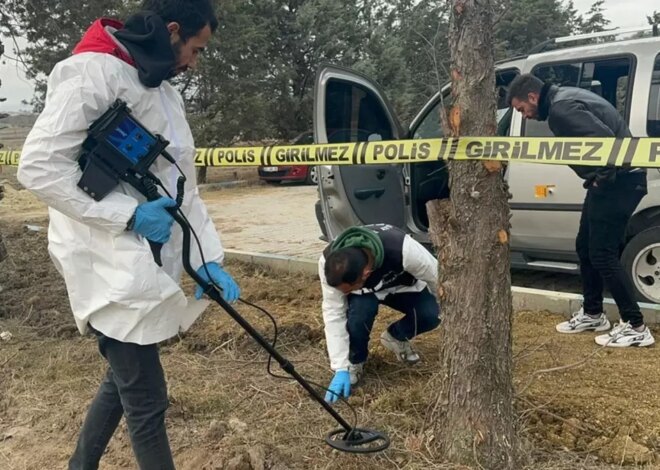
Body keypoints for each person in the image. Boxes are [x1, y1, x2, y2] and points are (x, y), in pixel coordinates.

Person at [17, 1, 240, 468]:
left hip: (143, 255)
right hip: (103, 258)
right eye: (195, 49)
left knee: (124, 380)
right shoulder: (90, 73)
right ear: (172, 30)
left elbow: (183, 184)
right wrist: (126, 216)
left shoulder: (164, 92)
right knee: (146, 397)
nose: (194, 62)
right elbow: (38, 167)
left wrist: (206, 258)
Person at [507, 73, 654, 348]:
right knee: (585, 246)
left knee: (602, 253)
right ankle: (593, 313)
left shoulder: (561, 109)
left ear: (532, 97)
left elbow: (606, 143)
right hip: (616, 180)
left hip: (619, 182)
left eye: (521, 109)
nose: (524, 116)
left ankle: (635, 326)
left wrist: (602, 177)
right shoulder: (565, 98)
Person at [320, 224, 441, 403]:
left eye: (348, 290)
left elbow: (437, 279)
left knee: (432, 314)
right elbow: (333, 313)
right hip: (364, 296)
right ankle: (355, 362)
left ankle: (396, 337)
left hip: (400, 286)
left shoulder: (403, 249)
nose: (343, 295)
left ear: (365, 274)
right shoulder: (328, 263)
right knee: (358, 314)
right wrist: (340, 367)